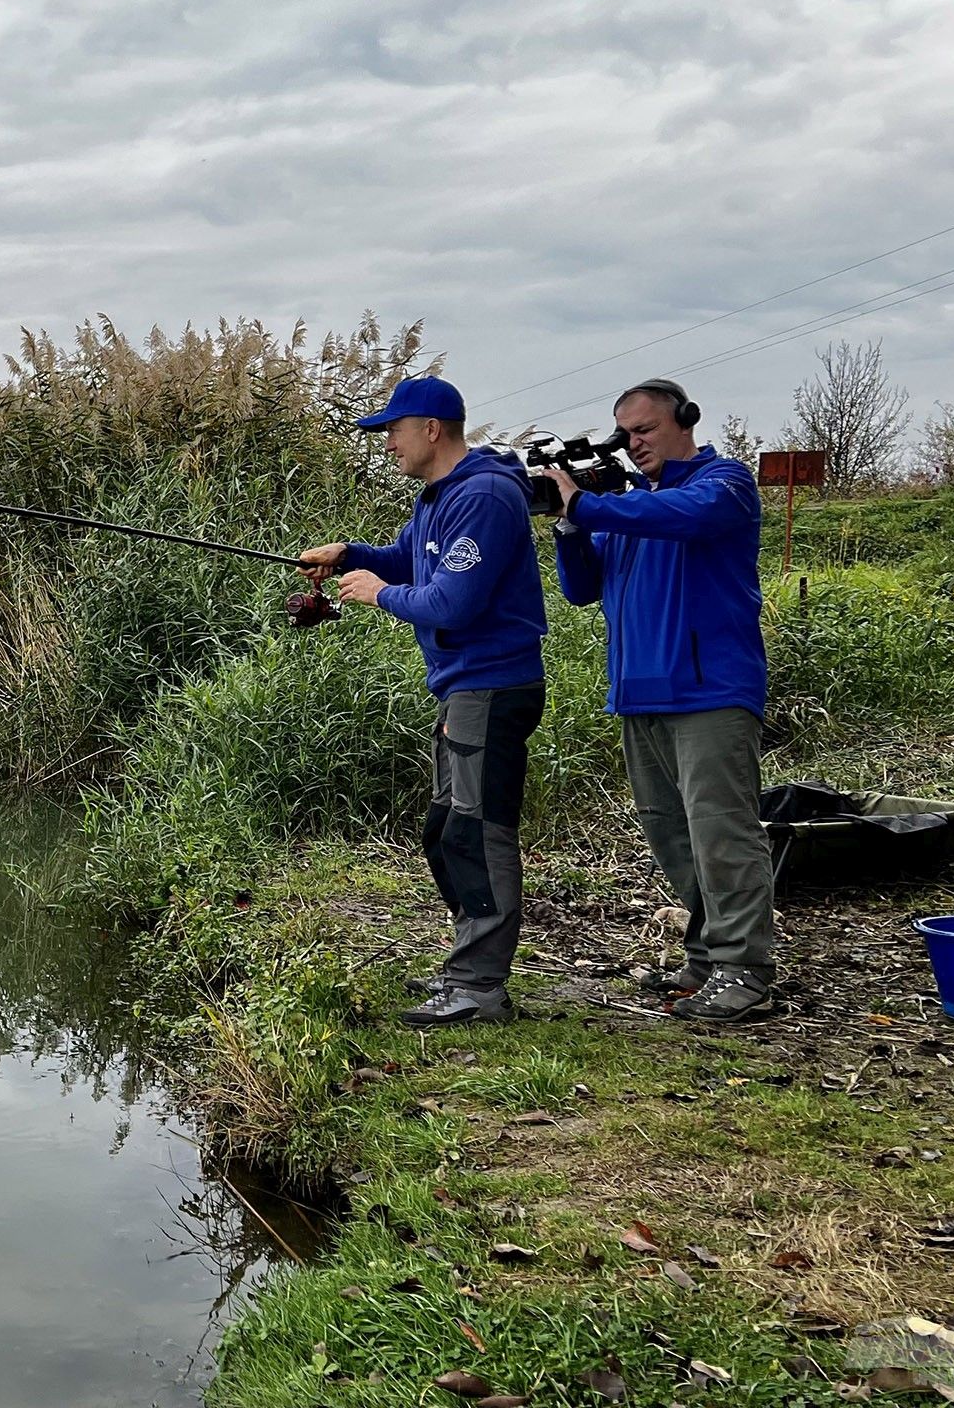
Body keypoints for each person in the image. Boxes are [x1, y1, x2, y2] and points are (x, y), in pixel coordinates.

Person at [300, 377, 546, 1028]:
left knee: (477, 831)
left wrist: (376, 593)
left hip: (492, 685)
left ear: (431, 429)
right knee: (445, 832)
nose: (387, 443)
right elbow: (407, 563)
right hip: (463, 688)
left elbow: (452, 602)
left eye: (393, 430)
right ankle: (469, 966)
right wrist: (348, 556)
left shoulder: (486, 497)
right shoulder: (437, 499)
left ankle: (478, 988)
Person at [541, 378, 776, 1024]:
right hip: (639, 693)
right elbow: (582, 589)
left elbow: (686, 518)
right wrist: (568, 525)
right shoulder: (626, 507)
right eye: (623, 434)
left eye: (642, 429)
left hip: (708, 690)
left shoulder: (722, 484)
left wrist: (589, 508)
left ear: (684, 421)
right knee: (673, 835)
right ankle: (706, 958)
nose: (633, 443)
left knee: (721, 832)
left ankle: (746, 969)